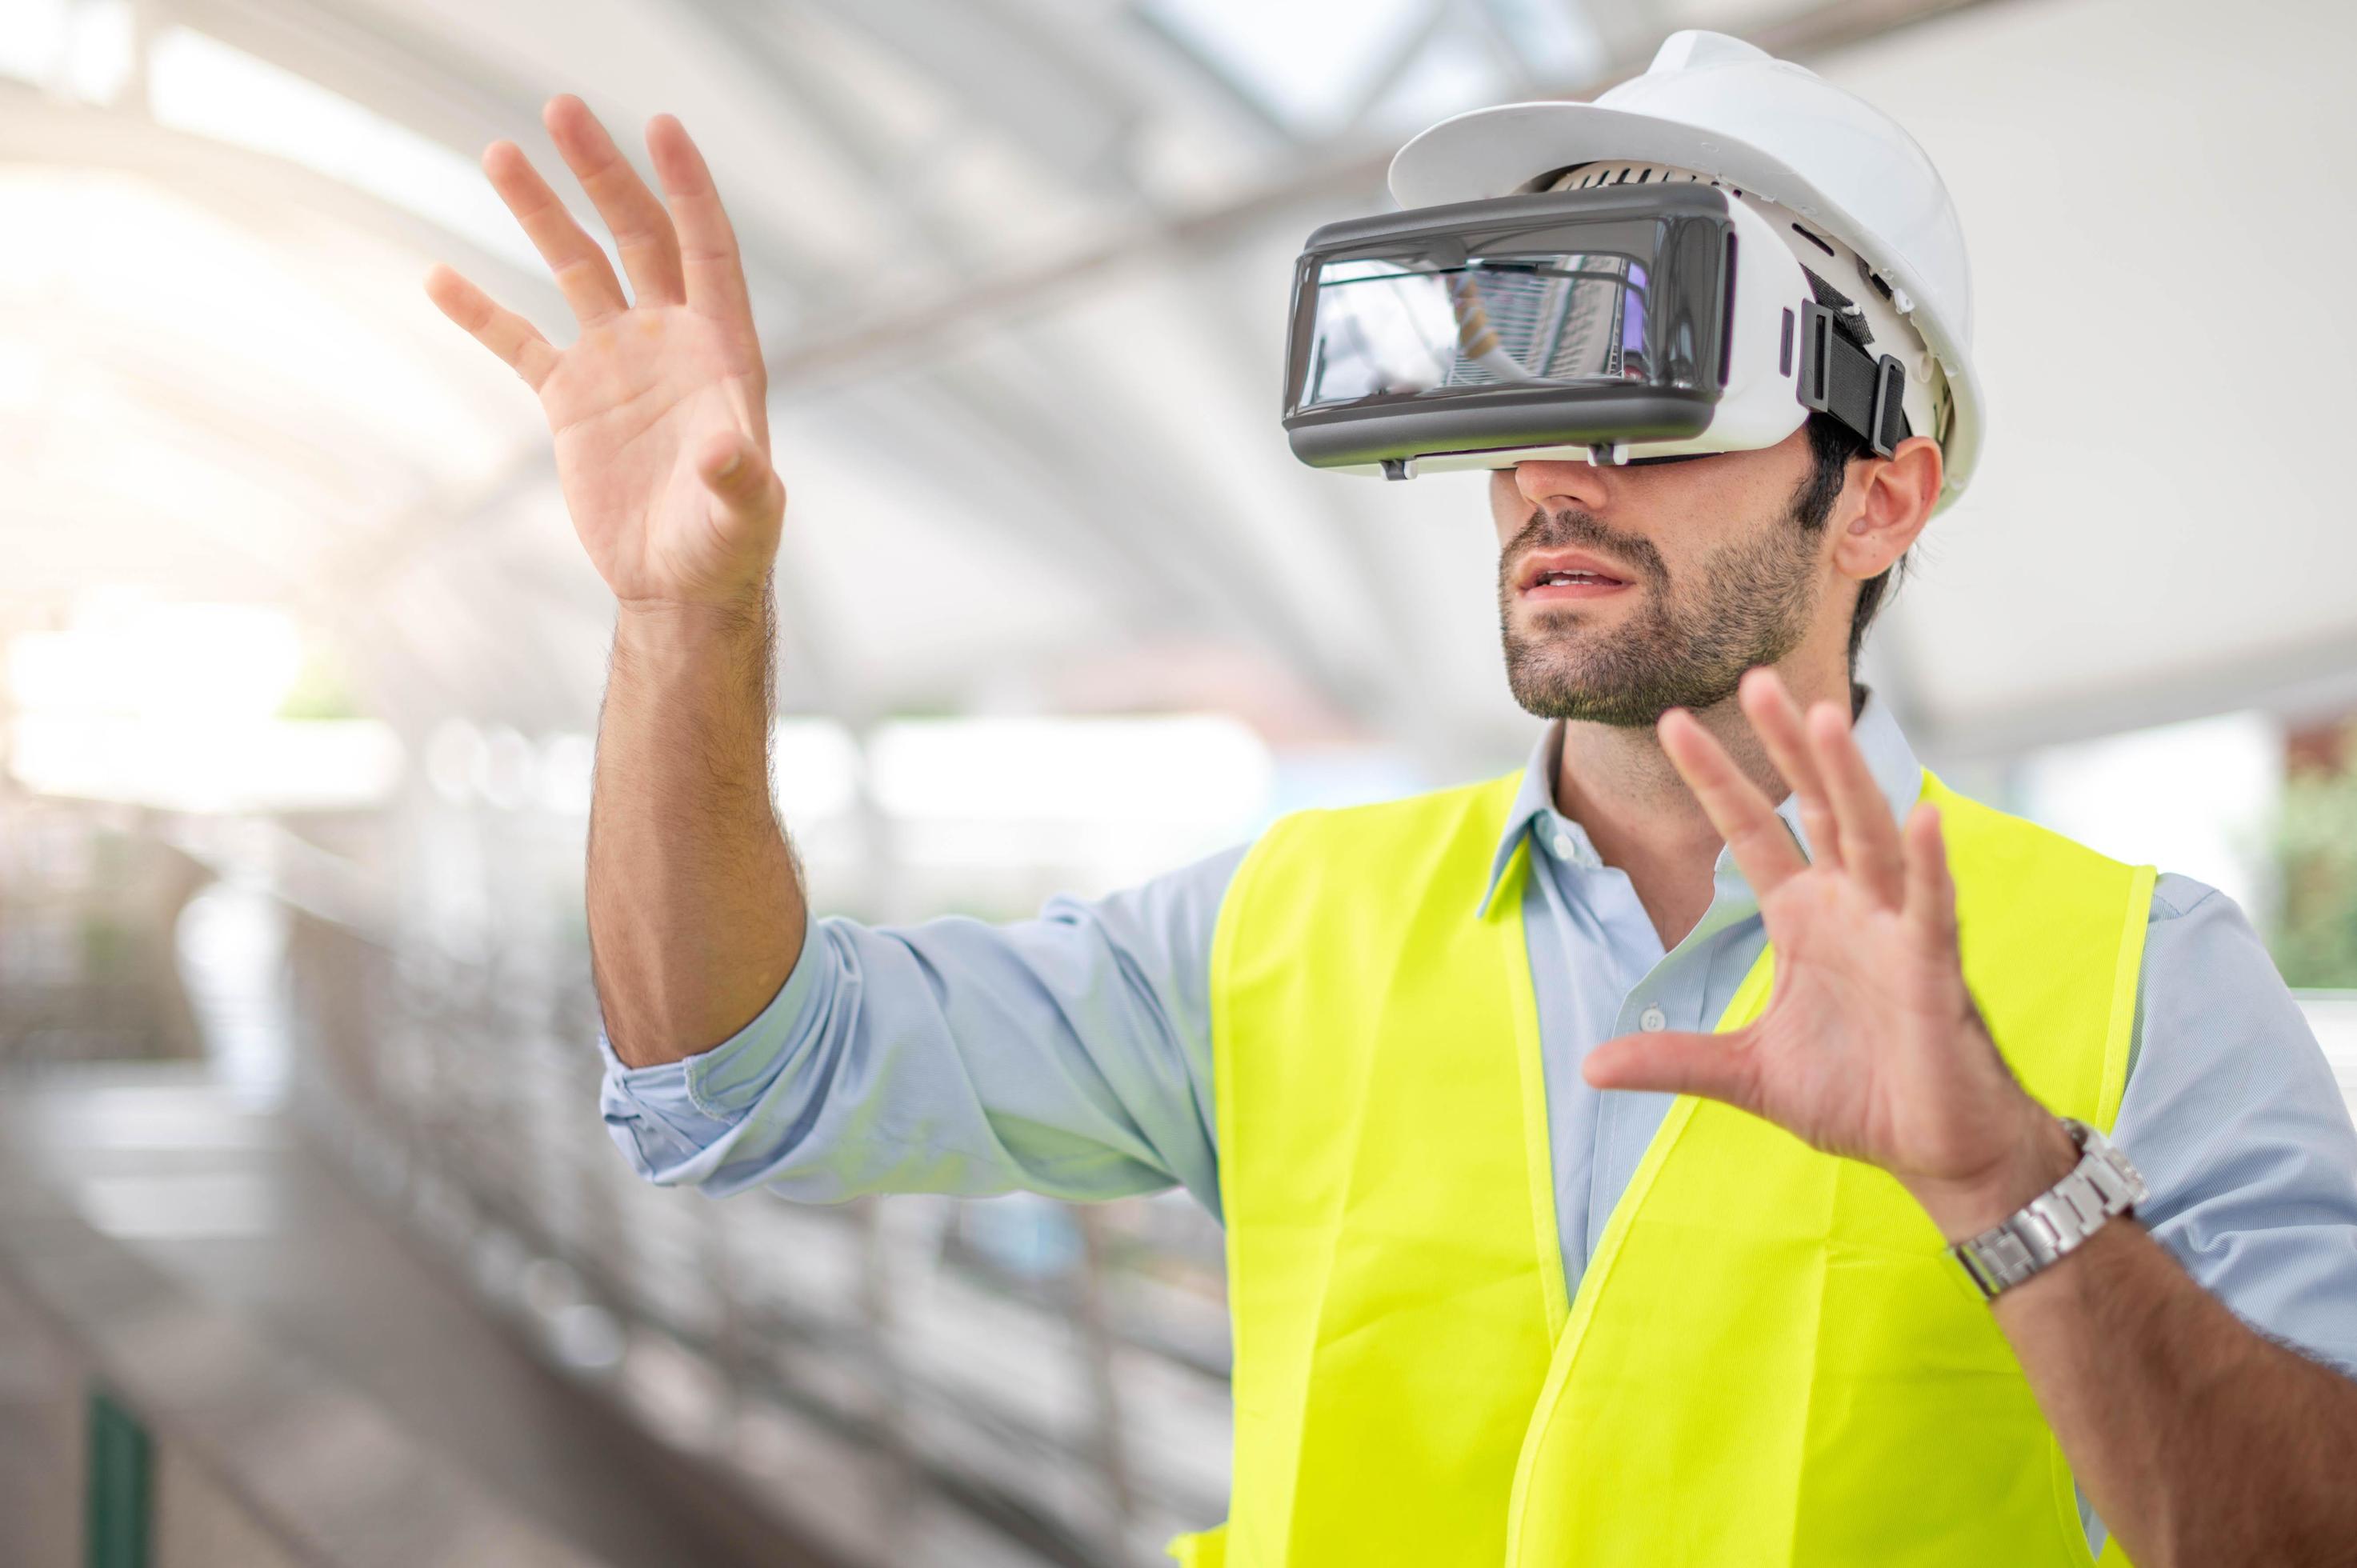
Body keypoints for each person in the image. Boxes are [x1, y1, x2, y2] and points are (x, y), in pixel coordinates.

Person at [423, 31, 2357, 1566]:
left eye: (1652, 373)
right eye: (1511, 373)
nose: (1551, 469)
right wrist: (693, 617)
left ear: (1882, 487)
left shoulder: (2138, 981)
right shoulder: (1277, 923)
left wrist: (2013, 1181)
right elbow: (740, 1075)